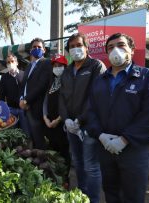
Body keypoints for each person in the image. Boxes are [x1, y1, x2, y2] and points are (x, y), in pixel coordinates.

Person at [85, 33, 149, 203]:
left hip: (134, 150)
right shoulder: (99, 81)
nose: (115, 50)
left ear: (132, 50)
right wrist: (100, 135)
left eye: (121, 45)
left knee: (133, 196)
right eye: (110, 47)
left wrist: (125, 139)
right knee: (111, 193)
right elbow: (90, 111)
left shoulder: (148, 77)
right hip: (106, 148)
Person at [59, 32, 106, 203]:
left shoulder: (96, 66)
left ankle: (93, 199)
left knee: (91, 166)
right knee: (78, 163)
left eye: (79, 45)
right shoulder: (67, 71)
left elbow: (96, 96)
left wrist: (80, 119)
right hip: (71, 126)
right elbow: (61, 99)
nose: (75, 49)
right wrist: (66, 120)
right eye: (71, 47)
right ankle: (82, 196)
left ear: (86, 47)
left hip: (89, 125)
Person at [19, 37, 52, 149]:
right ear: (30, 50)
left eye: (39, 47)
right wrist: (21, 98)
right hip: (27, 108)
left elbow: (42, 85)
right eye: (34, 47)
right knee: (32, 136)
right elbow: (24, 85)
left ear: (44, 50)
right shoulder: (28, 66)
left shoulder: (47, 63)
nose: (36, 49)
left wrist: (26, 99)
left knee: (39, 138)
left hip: (37, 107)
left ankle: (43, 161)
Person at [43, 54, 70, 170]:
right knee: (52, 152)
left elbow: (69, 103)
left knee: (64, 152)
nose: (57, 68)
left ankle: (65, 178)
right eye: (55, 65)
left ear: (65, 67)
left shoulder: (68, 82)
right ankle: (55, 176)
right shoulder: (51, 81)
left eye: (60, 65)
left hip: (62, 123)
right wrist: (45, 117)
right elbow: (45, 101)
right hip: (49, 123)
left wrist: (58, 120)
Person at [0, 53, 30, 135]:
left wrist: (26, 104)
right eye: (8, 62)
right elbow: (1, 95)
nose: (10, 64)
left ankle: (28, 146)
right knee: (13, 132)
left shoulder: (24, 75)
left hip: (23, 109)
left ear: (16, 63)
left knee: (26, 130)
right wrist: (3, 110)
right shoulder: (4, 77)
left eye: (12, 61)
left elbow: (29, 91)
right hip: (10, 109)